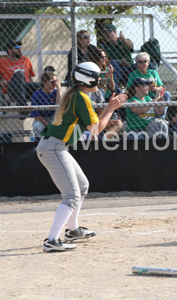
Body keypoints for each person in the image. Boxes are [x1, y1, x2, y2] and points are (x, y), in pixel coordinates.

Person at [37, 62, 127, 252]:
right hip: (54, 148)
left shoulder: (77, 95)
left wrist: (109, 108)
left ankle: (72, 229)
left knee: (82, 185)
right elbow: (96, 131)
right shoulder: (80, 97)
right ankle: (51, 240)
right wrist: (111, 107)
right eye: (97, 76)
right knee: (71, 195)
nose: (100, 79)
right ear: (87, 79)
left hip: (56, 147)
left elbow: (93, 124)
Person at [0, 40, 40, 108]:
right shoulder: (2, 61)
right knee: (20, 74)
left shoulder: (26, 60)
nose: (19, 49)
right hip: (12, 89)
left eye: (20, 47)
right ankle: (22, 107)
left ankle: (49, 113)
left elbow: (30, 78)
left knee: (44, 84)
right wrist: (1, 81)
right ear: (9, 50)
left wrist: (34, 84)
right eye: (16, 47)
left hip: (27, 88)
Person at [30, 73, 62, 141]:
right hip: (41, 119)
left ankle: (56, 142)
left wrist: (59, 88)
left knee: (59, 123)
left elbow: (58, 107)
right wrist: (48, 124)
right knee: (37, 126)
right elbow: (36, 115)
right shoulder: (37, 94)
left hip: (53, 117)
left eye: (56, 82)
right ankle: (40, 143)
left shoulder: (56, 92)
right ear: (45, 82)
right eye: (53, 82)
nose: (55, 84)